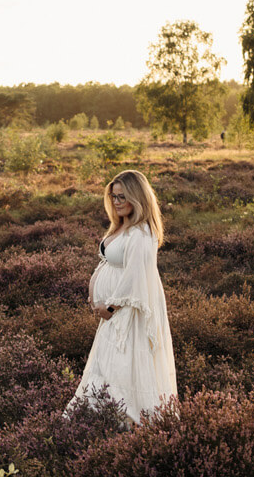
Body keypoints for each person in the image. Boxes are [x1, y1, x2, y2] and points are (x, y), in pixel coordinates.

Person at [67, 169, 177, 425]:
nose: (116, 202)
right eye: (113, 196)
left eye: (122, 197)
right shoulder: (122, 227)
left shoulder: (141, 233)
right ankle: (96, 422)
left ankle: (127, 426)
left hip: (126, 314)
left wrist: (111, 307)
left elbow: (135, 278)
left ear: (137, 198)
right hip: (112, 314)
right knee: (105, 368)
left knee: (121, 369)